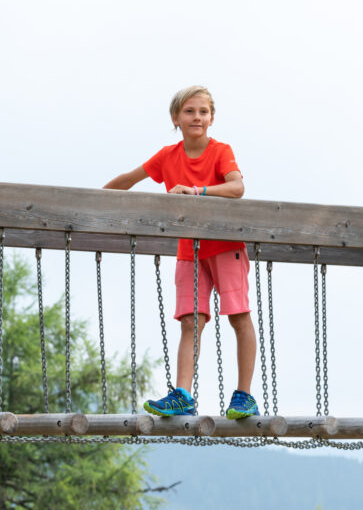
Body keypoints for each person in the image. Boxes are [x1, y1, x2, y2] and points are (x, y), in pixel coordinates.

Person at [103, 85, 258, 419]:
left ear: (212, 118)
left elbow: (237, 187)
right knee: (191, 321)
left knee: (238, 316)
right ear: (176, 118)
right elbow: (130, 179)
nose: (196, 117)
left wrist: (198, 191)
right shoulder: (167, 156)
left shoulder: (220, 151)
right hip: (190, 249)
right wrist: (94, 200)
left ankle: (244, 395)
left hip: (226, 245)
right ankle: (183, 394)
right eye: (189, 111)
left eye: (203, 112)